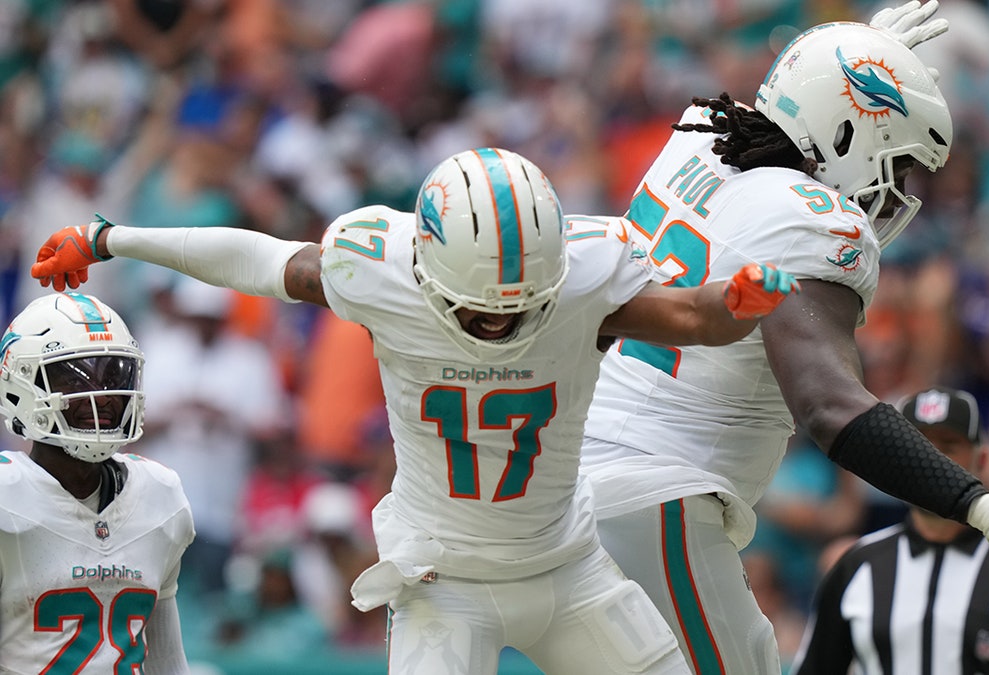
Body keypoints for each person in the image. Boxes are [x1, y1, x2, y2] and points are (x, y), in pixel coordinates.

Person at [29, 147, 801, 674]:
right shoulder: (379, 267)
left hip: (572, 564)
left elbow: (696, 317)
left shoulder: (587, 274)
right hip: (445, 580)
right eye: (477, 311)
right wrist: (110, 236)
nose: (498, 325)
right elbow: (260, 259)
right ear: (425, 266)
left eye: (519, 309)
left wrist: (737, 306)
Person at [577, 5, 989, 673]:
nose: (892, 193)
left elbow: (784, 119)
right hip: (652, 494)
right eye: (896, 163)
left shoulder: (699, 136)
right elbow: (829, 405)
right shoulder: (815, 222)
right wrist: (980, 506)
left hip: (572, 478)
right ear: (846, 132)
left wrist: (854, 56)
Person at [790, 386, 989, 675]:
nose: (932, 462)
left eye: (949, 445)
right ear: (892, 462)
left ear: (981, 458)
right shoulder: (856, 566)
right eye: (919, 447)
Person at [0, 291, 195, 673]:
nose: (103, 396)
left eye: (114, 374)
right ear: (24, 385)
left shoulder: (160, 495)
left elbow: (167, 662)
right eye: (75, 378)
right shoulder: (7, 499)